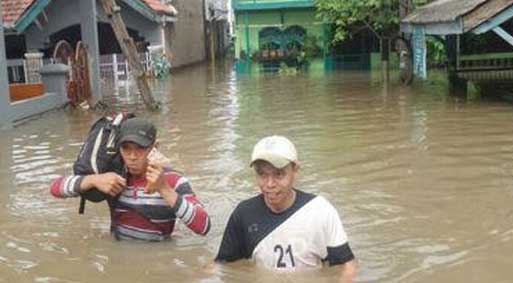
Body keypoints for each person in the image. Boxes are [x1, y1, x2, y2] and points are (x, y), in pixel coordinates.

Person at [215, 135, 358, 280]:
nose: (270, 184)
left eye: (279, 174)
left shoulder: (320, 210)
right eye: (262, 174)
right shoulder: (244, 214)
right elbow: (223, 267)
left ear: (295, 170)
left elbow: (347, 266)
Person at [50, 117, 211, 241]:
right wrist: (93, 180)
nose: (132, 157)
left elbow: (203, 226)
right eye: (126, 149)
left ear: (155, 147)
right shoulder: (114, 177)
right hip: (118, 260)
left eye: (140, 149)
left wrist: (164, 189)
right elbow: (55, 188)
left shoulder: (173, 180)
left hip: (157, 265)